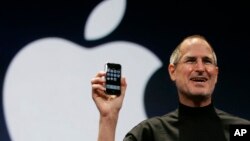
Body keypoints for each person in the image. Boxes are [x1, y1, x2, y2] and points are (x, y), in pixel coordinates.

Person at [91, 35, 250, 141]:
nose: (200, 68)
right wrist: (108, 117)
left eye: (207, 61)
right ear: (172, 71)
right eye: (191, 60)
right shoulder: (150, 133)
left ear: (216, 74)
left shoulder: (241, 130)